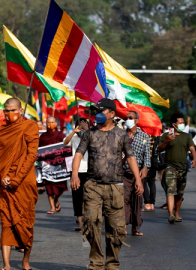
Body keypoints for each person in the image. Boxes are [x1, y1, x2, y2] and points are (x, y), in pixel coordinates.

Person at [71, 98, 143, 270]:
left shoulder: (121, 134)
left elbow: (131, 157)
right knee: (91, 222)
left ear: (112, 114)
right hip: (93, 186)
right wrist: (74, 174)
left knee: (116, 228)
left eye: (101, 112)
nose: (97, 115)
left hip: (115, 187)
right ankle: (96, 262)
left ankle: (112, 263)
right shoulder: (90, 133)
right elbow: (79, 154)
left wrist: (138, 179)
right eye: (96, 111)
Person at [0, 98, 39, 270]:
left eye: (12, 110)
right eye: (6, 110)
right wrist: (2, 175)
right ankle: (6, 265)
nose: (9, 113)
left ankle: (25, 261)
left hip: (23, 182)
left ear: (20, 111)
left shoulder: (30, 127)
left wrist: (16, 179)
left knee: (25, 223)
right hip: (4, 182)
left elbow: (30, 156)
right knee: (6, 222)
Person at [158, 112, 196, 224]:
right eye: (180, 123)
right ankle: (170, 214)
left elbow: (192, 148)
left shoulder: (186, 136)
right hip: (170, 167)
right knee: (171, 190)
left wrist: (194, 159)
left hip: (182, 169)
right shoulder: (166, 135)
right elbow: (159, 149)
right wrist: (167, 141)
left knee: (179, 194)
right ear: (174, 124)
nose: (182, 124)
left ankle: (177, 213)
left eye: (183, 123)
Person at [123, 110, 150, 236]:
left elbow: (147, 156)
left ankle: (135, 227)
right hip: (123, 172)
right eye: (126, 117)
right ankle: (123, 227)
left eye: (130, 117)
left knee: (137, 200)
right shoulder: (121, 135)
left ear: (136, 121)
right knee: (123, 199)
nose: (127, 119)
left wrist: (145, 168)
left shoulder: (144, 136)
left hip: (138, 174)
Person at [63, 118, 89, 231]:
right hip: (76, 171)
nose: (82, 128)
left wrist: (88, 131)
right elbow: (65, 142)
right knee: (77, 196)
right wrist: (74, 131)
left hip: (89, 171)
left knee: (88, 197)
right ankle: (79, 221)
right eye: (80, 126)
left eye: (84, 126)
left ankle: (87, 219)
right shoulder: (73, 139)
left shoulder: (91, 137)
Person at [39, 116, 67, 214]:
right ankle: (52, 207)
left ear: (56, 123)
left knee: (60, 188)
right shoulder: (43, 137)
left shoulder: (60, 135)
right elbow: (39, 149)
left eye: (52, 122)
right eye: (49, 122)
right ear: (46, 124)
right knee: (49, 187)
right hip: (47, 165)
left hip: (59, 165)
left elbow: (65, 146)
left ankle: (56, 200)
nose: (51, 124)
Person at [143, 135, 157, 211]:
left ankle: (147, 203)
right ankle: (152, 204)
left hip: (146, 161)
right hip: (154, 162)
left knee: (144, 182)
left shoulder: (145, 137)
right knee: (152, 182)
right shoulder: (155, 137)